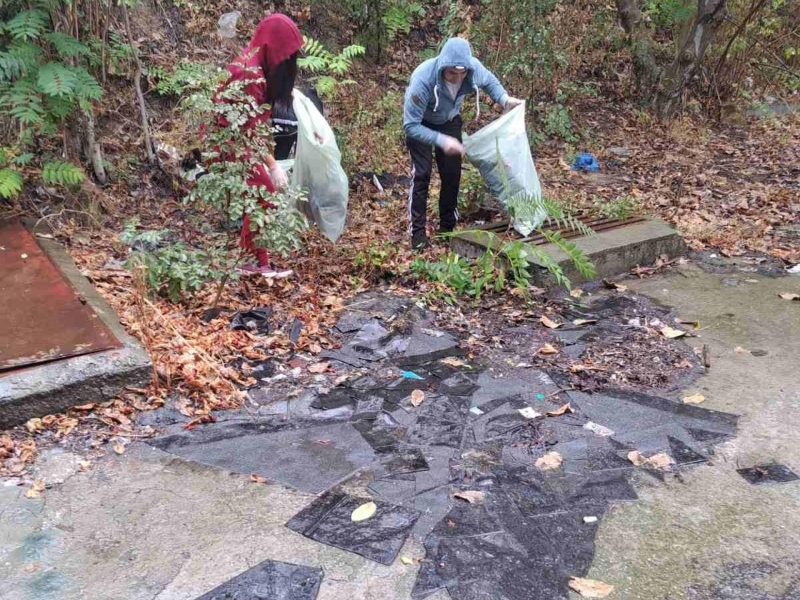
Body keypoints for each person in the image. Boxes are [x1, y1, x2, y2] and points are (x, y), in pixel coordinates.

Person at [403, 37, 522, 250]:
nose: (457, 78)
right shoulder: (423, 79)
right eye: (452, 73)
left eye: (462, 73)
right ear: (443, 68)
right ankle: (418, 235)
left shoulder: (472, 68)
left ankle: (447, 229)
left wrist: (504, 99)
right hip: (420, 123)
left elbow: (490, 81)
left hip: (449, 121)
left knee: (451, 175)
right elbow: (410, 125)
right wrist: (440, 140)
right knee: (421, 175)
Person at [215, 14, 304, 273]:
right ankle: (251, 262)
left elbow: (257, 125)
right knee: (263, 191)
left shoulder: (259, 67)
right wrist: (273, 166)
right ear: (274, 48)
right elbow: (248, 131)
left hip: (240, 139)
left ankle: (257, 261)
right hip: (228, 142)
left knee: (261, 194)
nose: (289, 62)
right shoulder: (248, 73)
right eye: (287, 55)